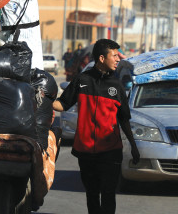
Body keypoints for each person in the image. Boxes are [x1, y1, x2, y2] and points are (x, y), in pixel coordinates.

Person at [52, 39, 140, 214]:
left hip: (110, 150)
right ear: (101, 58)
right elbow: (63, 104)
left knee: (108, 194)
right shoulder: (81, 80)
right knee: (92, 194)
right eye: (114, 55)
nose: (117, 59)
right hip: (85, 151)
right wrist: (43, 101)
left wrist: (134, 147)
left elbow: (124, 119)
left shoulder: (117, 86)